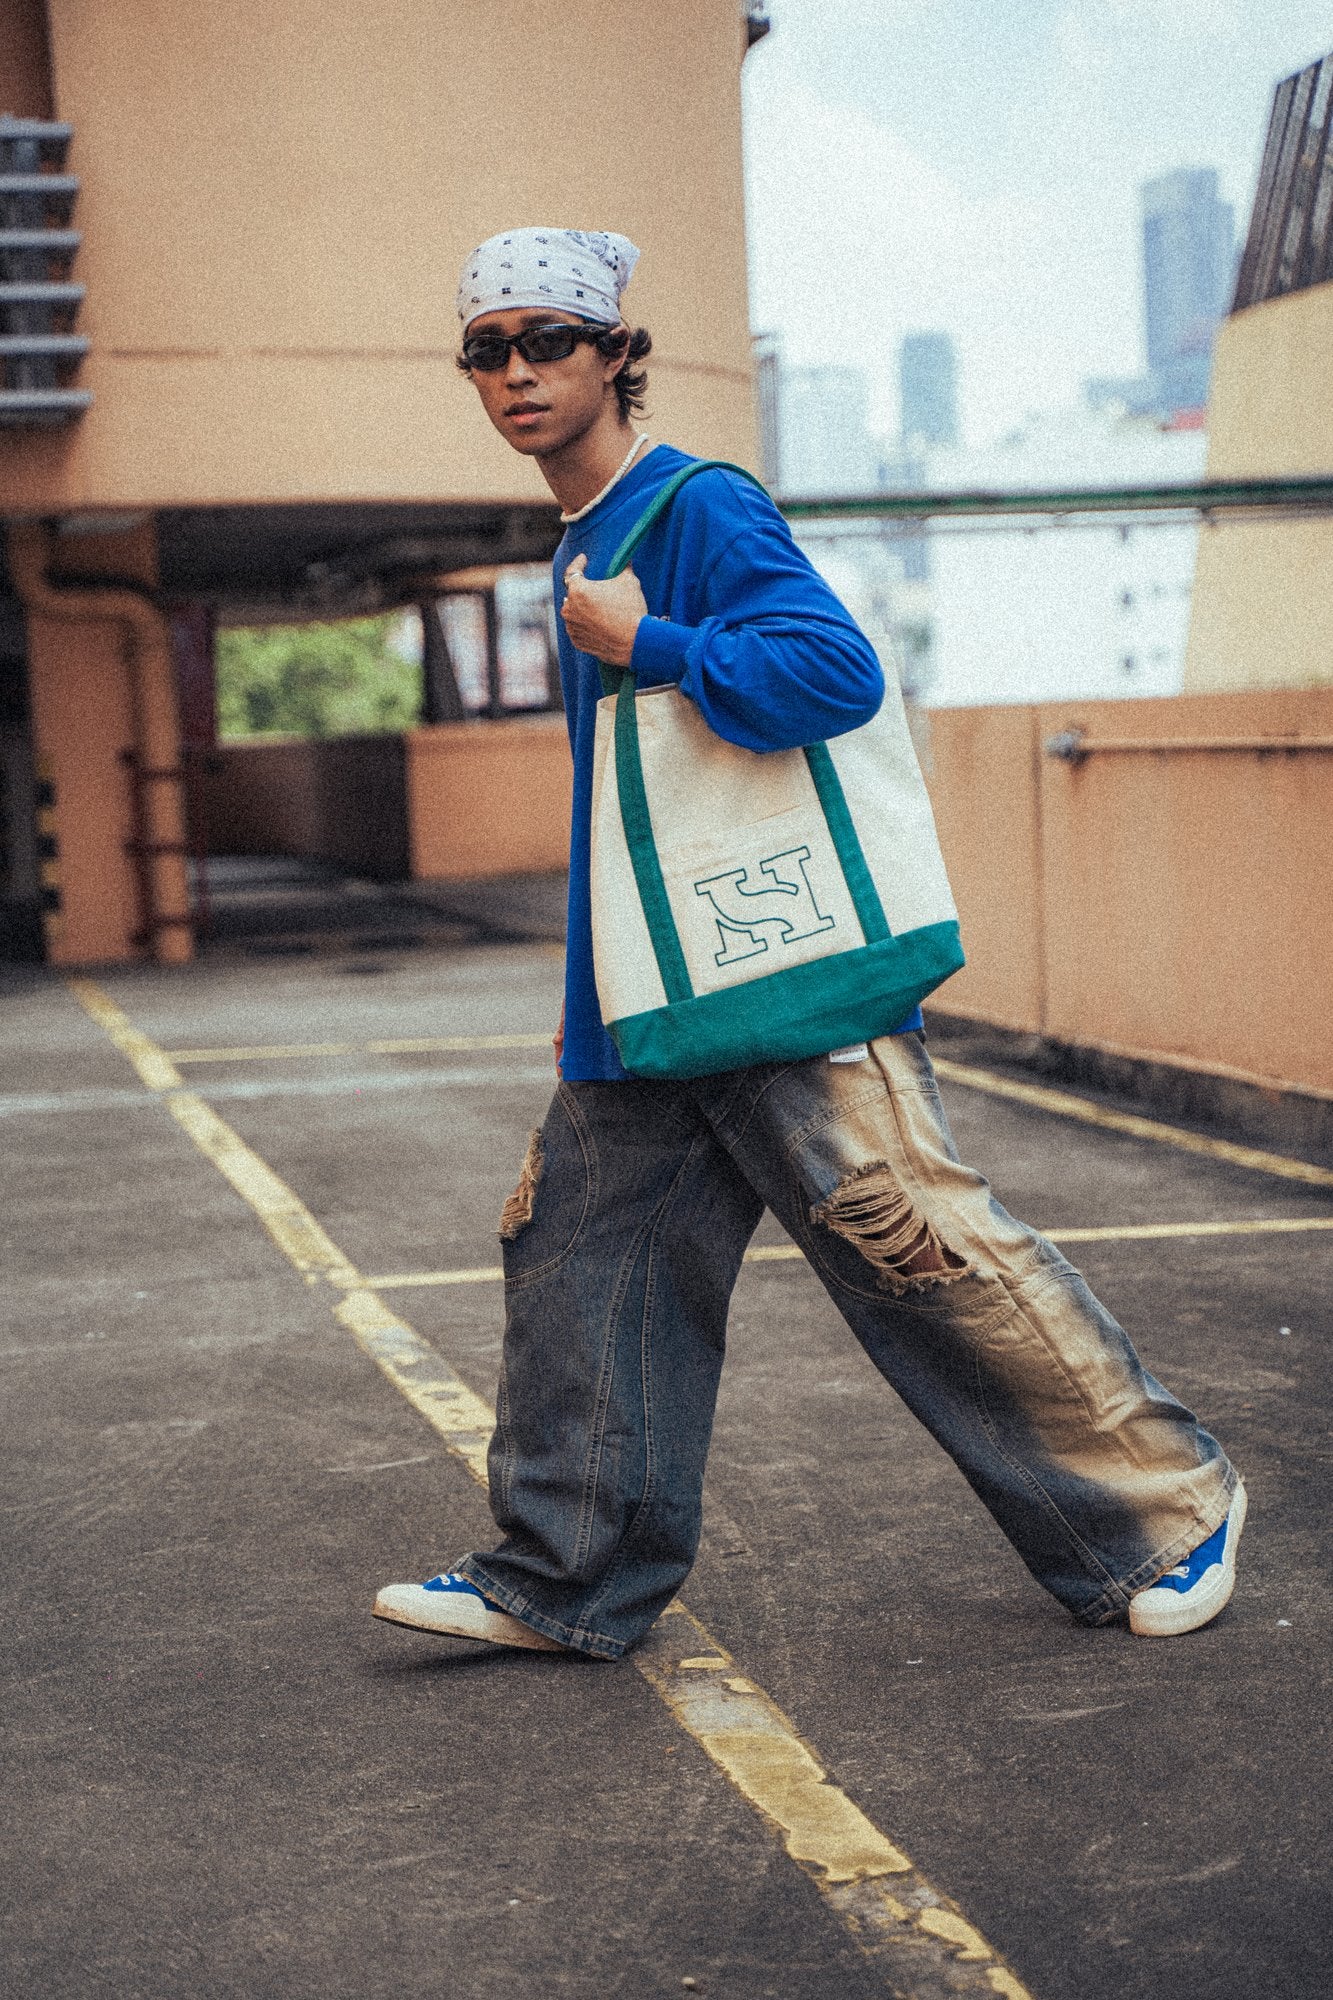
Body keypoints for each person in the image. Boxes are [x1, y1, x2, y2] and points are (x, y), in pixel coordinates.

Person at [373, 227, 1245, 1658]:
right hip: (654, 998)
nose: (518, 372)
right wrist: (589, 989)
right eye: (490, 348)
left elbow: (832, 674)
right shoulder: (578, 546)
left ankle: (1166, 1511)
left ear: (614, 355)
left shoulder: (693, 509)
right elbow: (630, 811)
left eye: (550, 341)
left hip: (777, 976)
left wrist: (652, 645)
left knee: (910, 1246)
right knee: (581, 1259)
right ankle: (565, 1575)